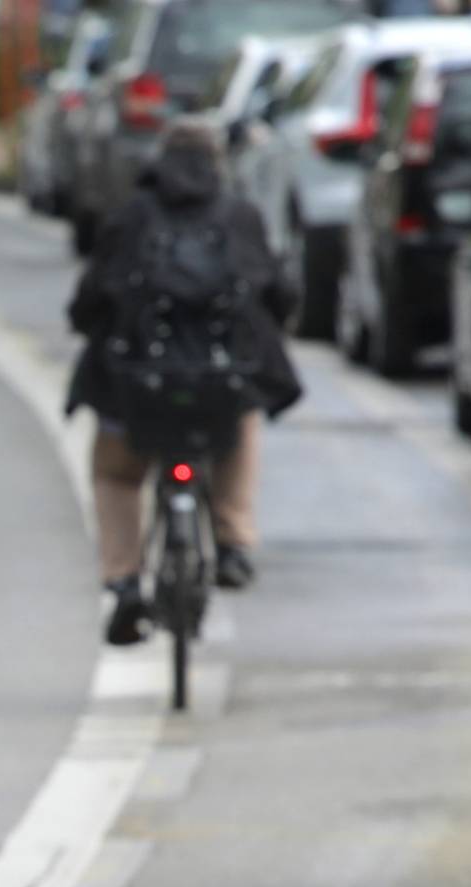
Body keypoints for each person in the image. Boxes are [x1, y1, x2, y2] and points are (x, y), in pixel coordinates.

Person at [65, 119, 301, 645]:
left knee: (118, 476)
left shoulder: (130, 219)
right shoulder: (240, 217)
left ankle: (125, 583)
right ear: (218, 164)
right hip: (220, 385)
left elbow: (88, 306)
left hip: (137, 388)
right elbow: (279, 295)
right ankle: (234, 540)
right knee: (241, 423)